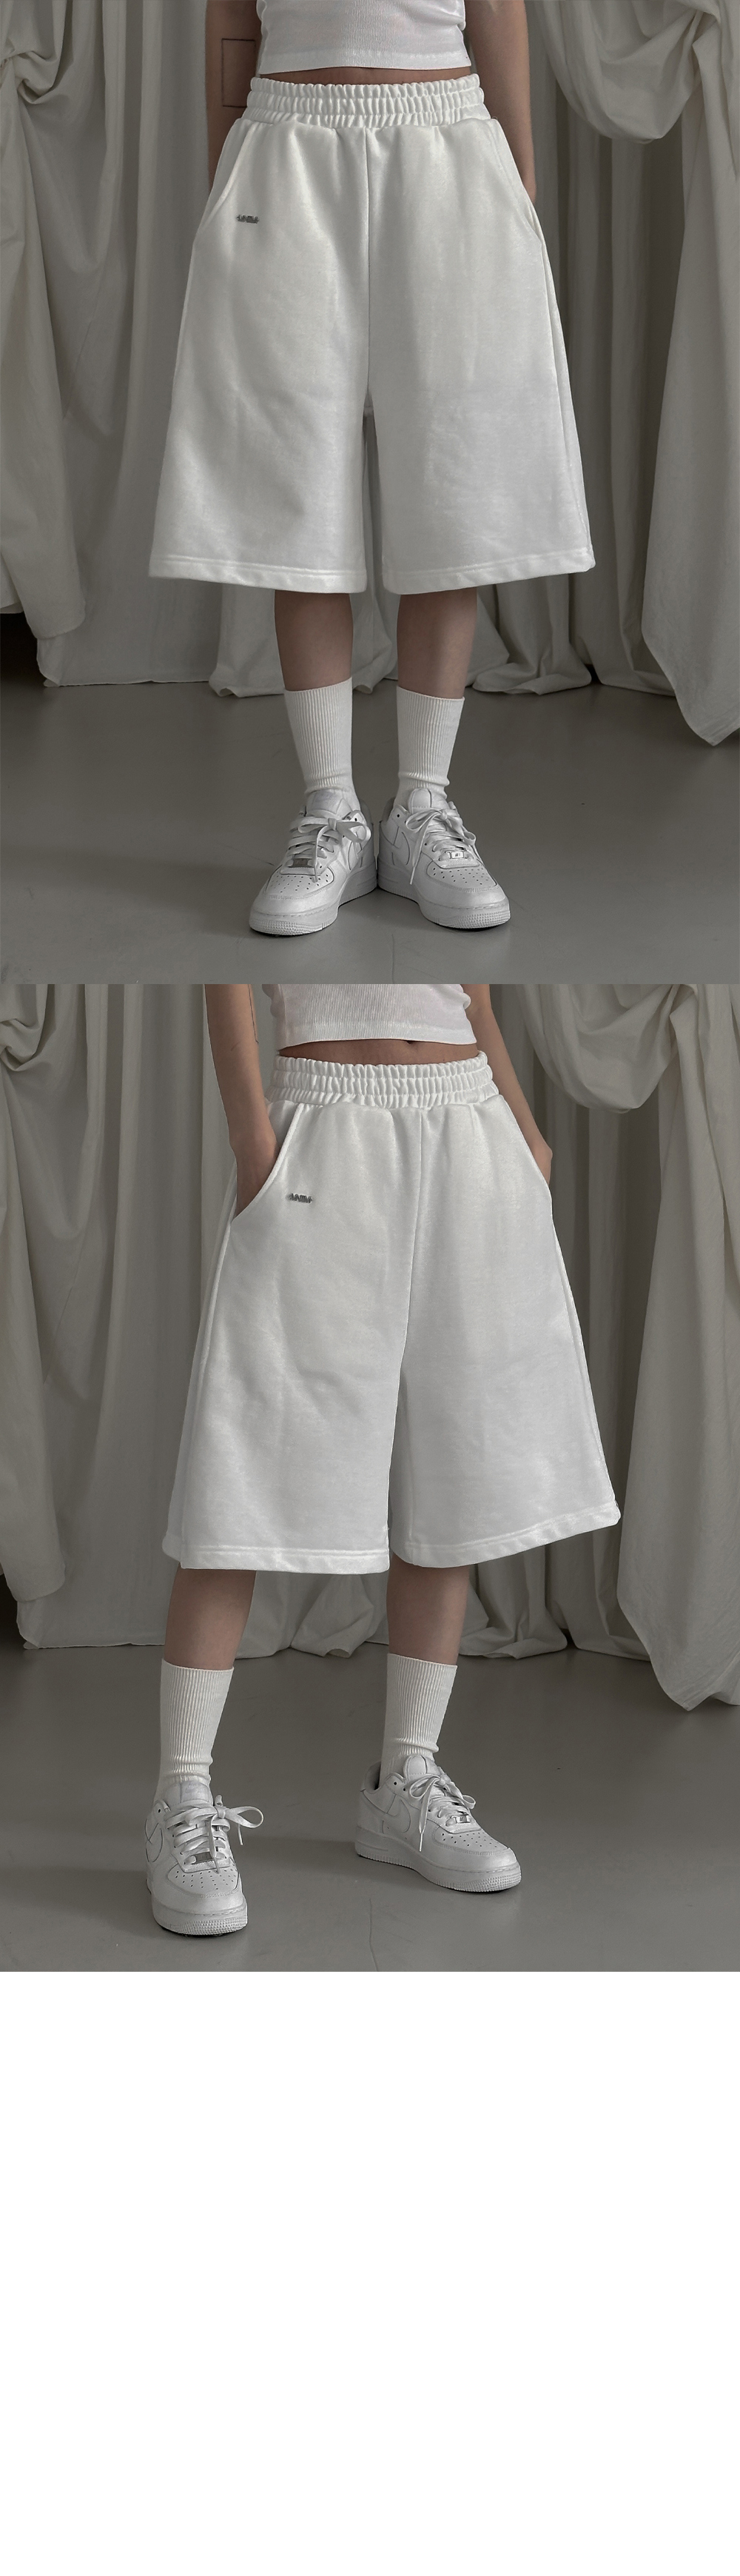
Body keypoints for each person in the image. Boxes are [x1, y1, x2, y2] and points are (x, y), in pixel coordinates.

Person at [145, 981, 619, 1936]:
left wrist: (527, 1135)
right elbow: (222, 970)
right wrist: (253, 1142)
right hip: (325, 1118)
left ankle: (405, 1779)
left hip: (471, 1123)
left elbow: (471, 989)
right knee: (246, 1464)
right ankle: (180, 1797)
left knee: (456, 1461)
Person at [149, 1, 594, 934]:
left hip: (446, 140)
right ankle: (332, 813)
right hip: (285, 142)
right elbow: (231, 13)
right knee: (294, 488)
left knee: (453, 486)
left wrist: (518, 178)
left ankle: (421, 806)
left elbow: (496, 6)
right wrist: (226, 172)